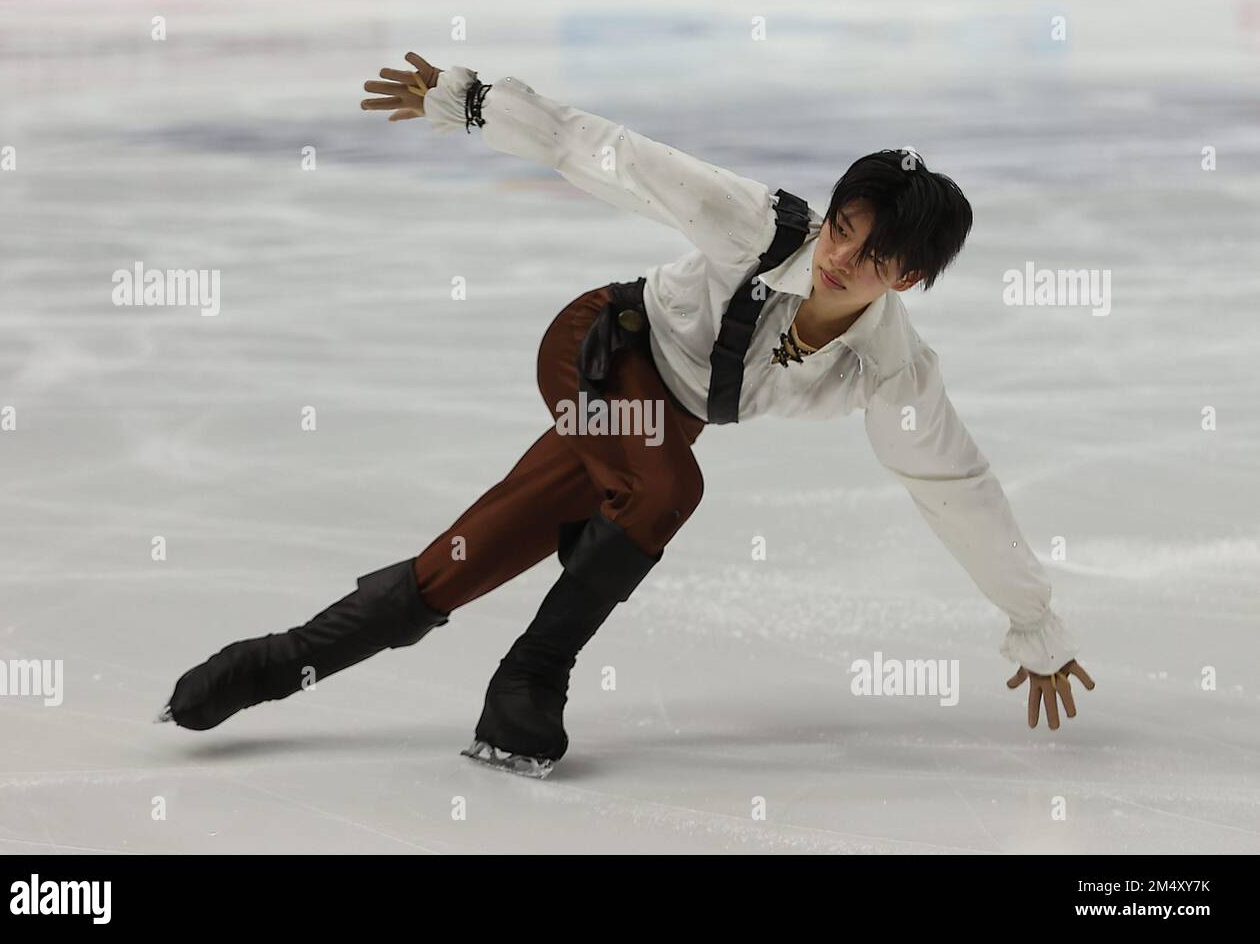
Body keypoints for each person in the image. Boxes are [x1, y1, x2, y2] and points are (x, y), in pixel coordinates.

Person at [159, 52, 1095, 778]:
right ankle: (530, 682)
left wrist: (1034, 622)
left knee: (462, 560)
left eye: (877, 255)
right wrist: (480, 103)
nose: (843, 257)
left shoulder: (892, 371)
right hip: (598, 346)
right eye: (846, 227)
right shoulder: (763, 226)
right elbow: (615, 157)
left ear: (913, 279)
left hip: (650, 425)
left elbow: (955, 488)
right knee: (667, 486)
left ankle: (270, 664)